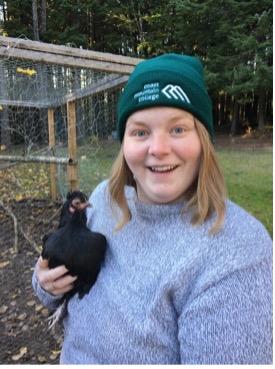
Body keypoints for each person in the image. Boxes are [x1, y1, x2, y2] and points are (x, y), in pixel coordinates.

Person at [32, 54, 272, 364]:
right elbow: (54, 290)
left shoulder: (237, 254)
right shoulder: (105, 199)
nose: (157, 149)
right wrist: (46, 284)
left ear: (203, 141)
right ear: (125, 143)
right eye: (141, 132)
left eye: (177, 130)